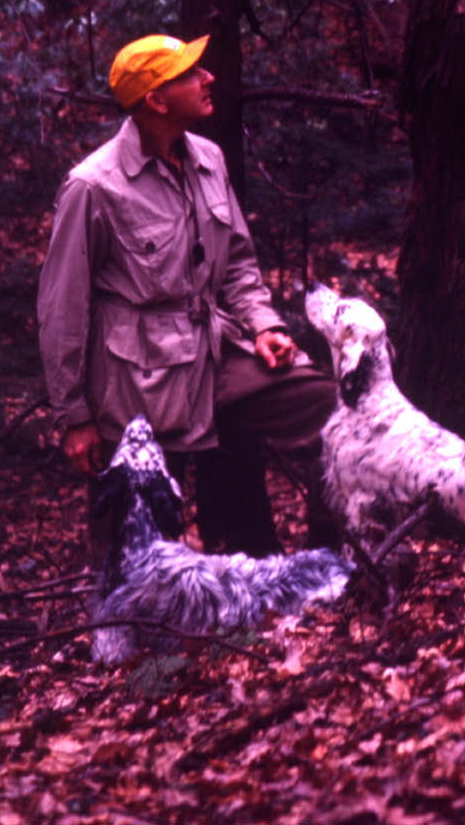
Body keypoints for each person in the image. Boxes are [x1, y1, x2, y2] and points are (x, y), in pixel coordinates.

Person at [38, 33, 338, 556]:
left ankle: (337, 569)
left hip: (215, 353)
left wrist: (264, 325)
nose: (208, 78)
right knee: (134, 540)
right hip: (137, 382)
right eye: (190, 73)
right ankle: (131, 632)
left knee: (328, 409)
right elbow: (61, 310)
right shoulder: (94, 187)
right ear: (155, 99)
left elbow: (238, 263)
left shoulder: (209, 160)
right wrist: (75, 416)